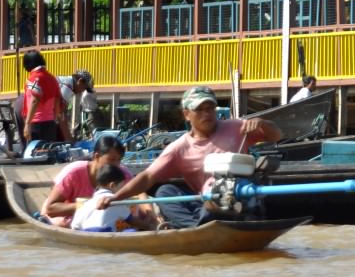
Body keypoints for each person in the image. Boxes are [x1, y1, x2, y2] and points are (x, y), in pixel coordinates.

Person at [103, 86, 282, 229]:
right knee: (165, 192)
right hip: (206, 204)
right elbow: (147, 177)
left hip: (241, 199)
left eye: (210, 108)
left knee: (223, 198)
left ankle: (207, 224)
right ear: (187, 114)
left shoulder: (236, 127)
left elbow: (276, 135)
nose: (207, 114)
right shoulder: (178, 148)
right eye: (200, 109)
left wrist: (263, 124)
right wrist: (116, 197)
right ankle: (197, 228)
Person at [42, 134, 137, 225]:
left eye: (119, 160)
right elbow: (50, 209)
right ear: (97, 157)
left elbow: (140, 195)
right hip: (71, 222)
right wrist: (90, 205)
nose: (116, 165)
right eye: (111, 160)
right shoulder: (73, 172)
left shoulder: (122, 173)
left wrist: (150, 216)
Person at [20, 50, 70, 144]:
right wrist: (55, 118)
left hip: (36, 124)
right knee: (49, 153)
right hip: (50, 124)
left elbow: (35, 100)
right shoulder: (52, 79)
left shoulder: (33, 79)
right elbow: (57, 99)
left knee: (35, 154)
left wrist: (27, 123)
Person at [71, 163, 135, 232]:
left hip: (85, 237)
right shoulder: (115, 202)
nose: (121, 191)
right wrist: (147, 225)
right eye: (121, 187)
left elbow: (75, 225)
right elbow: (132, 220)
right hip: (105, 237)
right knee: (131, 231)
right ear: (112, 185)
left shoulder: (86, 204)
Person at [74, 70, 100, 136]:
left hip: (91, 111)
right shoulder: (85, 91)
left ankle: (94, 136)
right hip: (85, 111)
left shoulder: (91, 91)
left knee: (90, 125)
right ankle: (85, 135)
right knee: (83, 125)